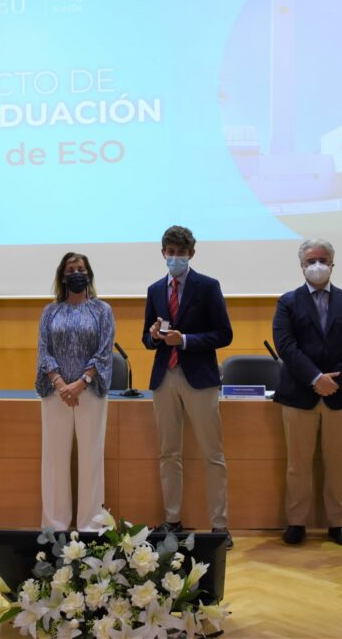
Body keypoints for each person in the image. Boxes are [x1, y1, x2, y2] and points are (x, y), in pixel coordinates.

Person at [142, 225, 234, 549]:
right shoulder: (155, 290)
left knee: (213, 454)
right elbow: (146, 337)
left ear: (191, 254)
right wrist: (154, 336)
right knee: (169, 453)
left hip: (200, 378)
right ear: (163, 252)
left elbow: (224, 334)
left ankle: (220, 526)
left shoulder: (208, 287)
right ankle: (172, 520)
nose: (175, 258)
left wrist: (187, 340)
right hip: (164, 378)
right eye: (171, 252)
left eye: (181, 253)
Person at [272, 239, 342, 546]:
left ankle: (338, 523)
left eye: (323, 260)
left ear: (332, 263)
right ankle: (296, 522)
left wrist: (333, 379)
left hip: (340, 395)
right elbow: (286, 345)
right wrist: (315, 378)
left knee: (339, 464)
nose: (317, 265)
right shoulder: (287, 302)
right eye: (311, 260)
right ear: (302, 266)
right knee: (297, 465)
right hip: (299, 395)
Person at [35, 252, 115, 531]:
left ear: (89, 274)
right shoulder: (50, 311)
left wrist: (81, 382)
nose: (76, 273)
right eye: (71, 269)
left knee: (91, 458)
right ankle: (55, 525)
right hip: (55, 393)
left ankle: (91, 526)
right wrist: (59, 383)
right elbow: (44, 351)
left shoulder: (102, 311)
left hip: (90, 393)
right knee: (55, 460)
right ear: (63, 276)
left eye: (81, 268)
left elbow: (104, 352)